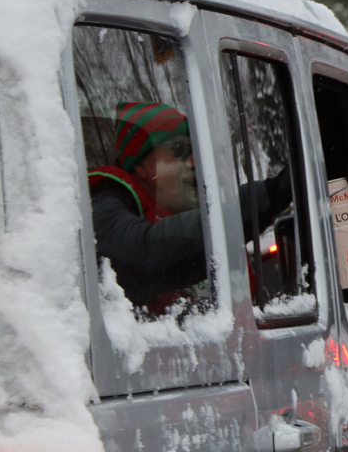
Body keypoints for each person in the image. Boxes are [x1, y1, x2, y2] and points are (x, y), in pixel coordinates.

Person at [89, 100, 290, 310]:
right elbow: (144, 252)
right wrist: (269, 195)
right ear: (140, 165)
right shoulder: (100, 207)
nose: (195, 163)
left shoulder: (193, 225)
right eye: (179, 149)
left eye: (197, 152)